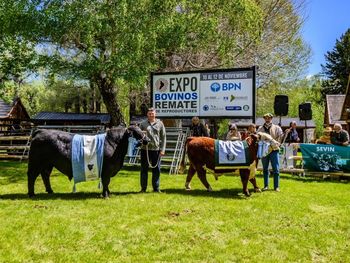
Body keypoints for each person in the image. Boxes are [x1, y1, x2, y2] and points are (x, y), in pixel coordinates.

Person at [139, 108, 166, 193]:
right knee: (144, 169)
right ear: (147, 114)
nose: (151, 115)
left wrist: (162, 150)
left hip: (156, 150)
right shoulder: (143, 124)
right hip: (145, 150)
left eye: (152, 113)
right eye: (149, 113)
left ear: (155, 114)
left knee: (156, 170)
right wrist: (141, 140)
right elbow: (138, 136)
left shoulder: (160, 123)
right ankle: (143, 188)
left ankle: (156, 188)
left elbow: (164, 137)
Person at [257, 113, 283, 192]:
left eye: (269, 118)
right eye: (266, 118)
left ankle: (276, 187)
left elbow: (280, 137)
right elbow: (257, 138)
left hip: (274, 150)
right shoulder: (260, 128)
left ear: (271, 118)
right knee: (265, 169)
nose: (267, 119)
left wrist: (278, 143)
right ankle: (266, 186)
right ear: (264, 118)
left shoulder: (277, 128)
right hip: (264, 151)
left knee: (276, 169)